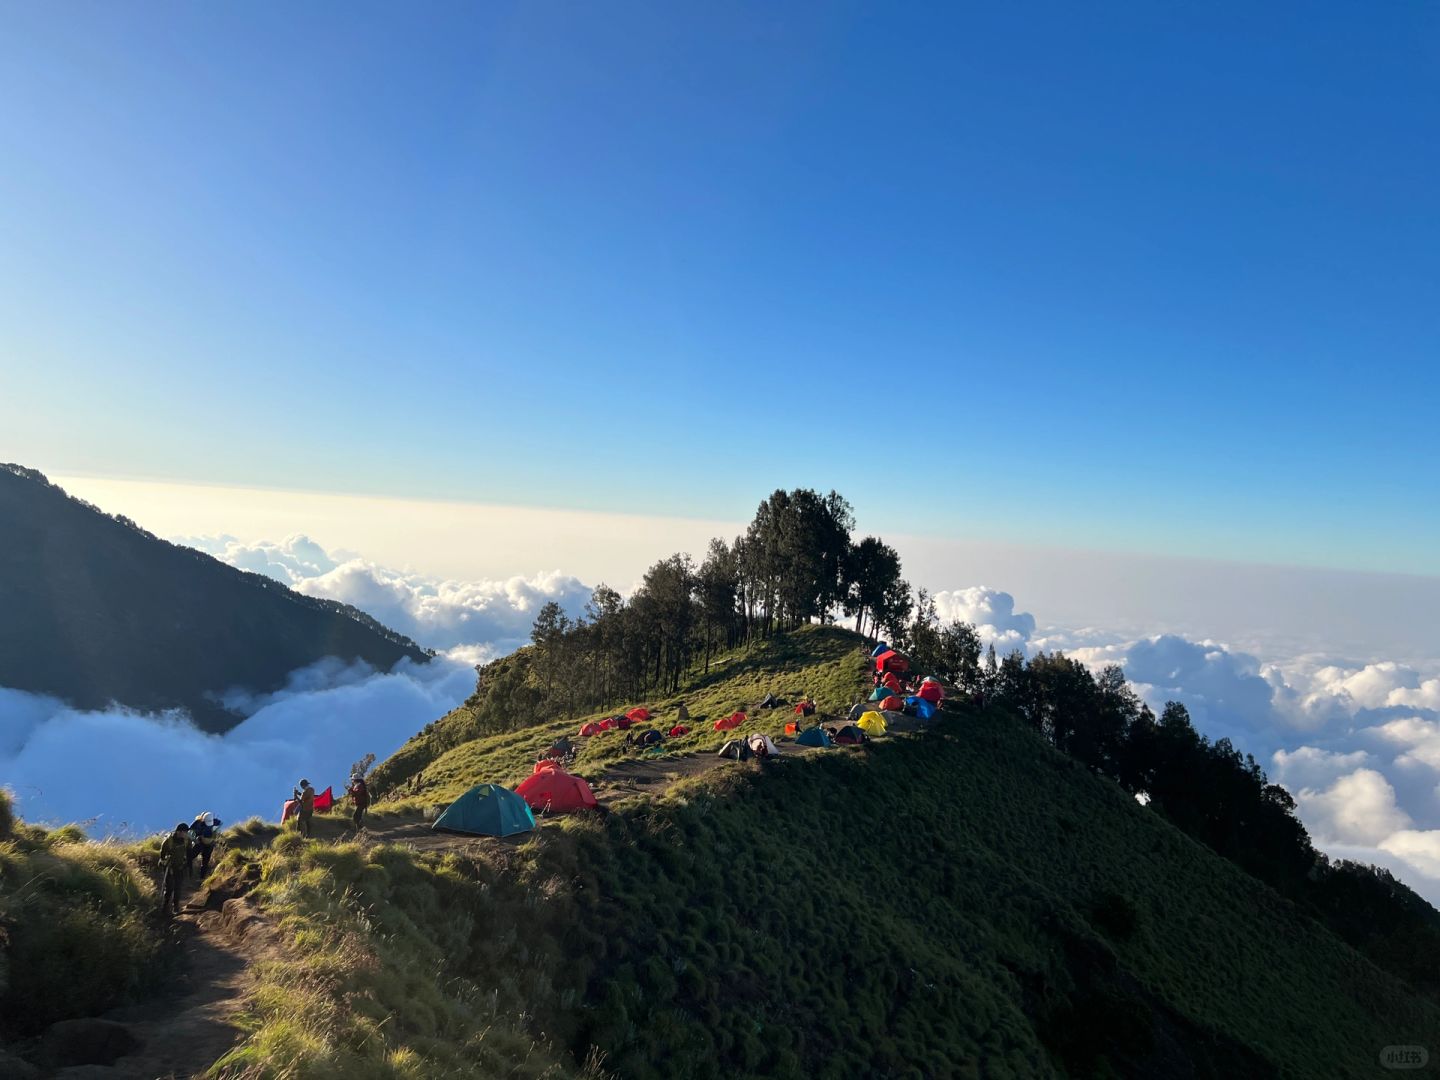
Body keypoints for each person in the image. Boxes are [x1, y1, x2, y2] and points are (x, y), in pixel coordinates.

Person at [158, 822, 190, 915]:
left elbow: (189, 852)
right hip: (170, 867)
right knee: (169, 887)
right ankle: (165, 907)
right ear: (179, 832)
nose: (186, 834)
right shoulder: (169, 841)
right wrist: (164, 862)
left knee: (178, 887)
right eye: (185, 832)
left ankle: (175, 907)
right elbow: (162, 853)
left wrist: (187, 864)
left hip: (180, 867)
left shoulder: (187, 840)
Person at [188, 812, 222, 878]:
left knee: (205, 862)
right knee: (191, 856)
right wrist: (195, 840)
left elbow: (220, 824)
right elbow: (189, 833)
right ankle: (186, 871)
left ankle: (202, 877)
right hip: (200, 842)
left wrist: (216, 833)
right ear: (203, 820)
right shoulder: (197, 824)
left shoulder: (216, 822)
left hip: (209, 844)